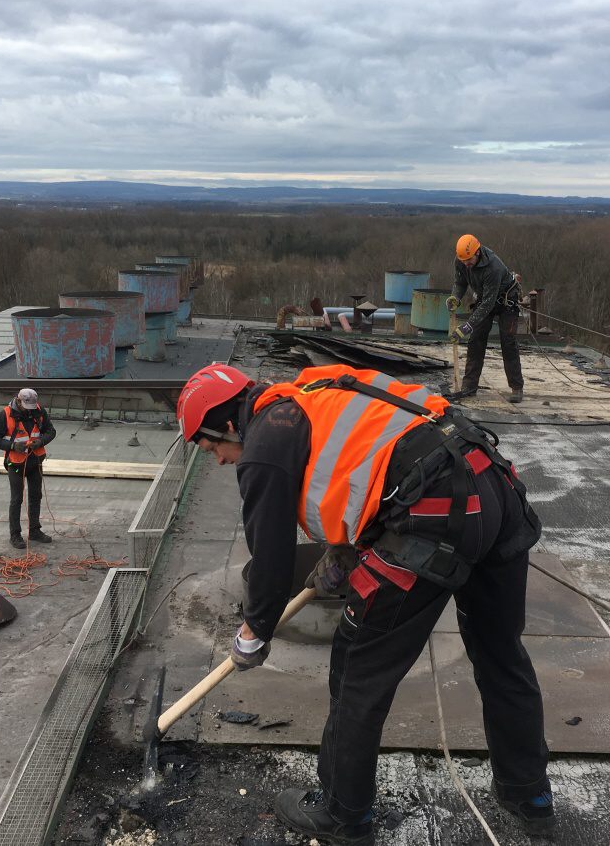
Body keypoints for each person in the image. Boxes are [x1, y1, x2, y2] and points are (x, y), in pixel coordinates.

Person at [176, 362, 553, 845]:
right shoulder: (310, 391)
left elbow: (268, 563)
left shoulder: (263, 447)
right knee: (502, 654)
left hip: (435, 514)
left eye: (213, 448)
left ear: (229, 424)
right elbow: (374, 459)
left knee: (357, 673)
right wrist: (347, 548)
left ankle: (342, 814)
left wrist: (254, 633)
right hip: (488, 482)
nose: (220, 461)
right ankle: (530, 794)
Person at [448, 234, 524, 403]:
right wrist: (455, 297)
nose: (466, 264)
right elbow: (460, 283)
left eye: (469, 260)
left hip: (506, 301)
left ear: (477, 253)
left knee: (508, 342)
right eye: (463, 260)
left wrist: (467, 326)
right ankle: (469, 386)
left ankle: (517, 387)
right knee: (476, 340)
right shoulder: (461, 260)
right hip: (486, 298)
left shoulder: (493, 267)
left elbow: (488, 305)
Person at [0, 387, 56, 549]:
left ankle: (34, 531)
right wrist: (12, 446)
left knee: (35, 496)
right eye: (26, 406)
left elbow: (50, 431)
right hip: (16, 464)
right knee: (17, 499)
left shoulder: (39, 411)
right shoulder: (5, 415)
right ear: (19, 401)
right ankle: (15, 535)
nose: (29, 410)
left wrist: (41, 442)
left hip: (35, 461)